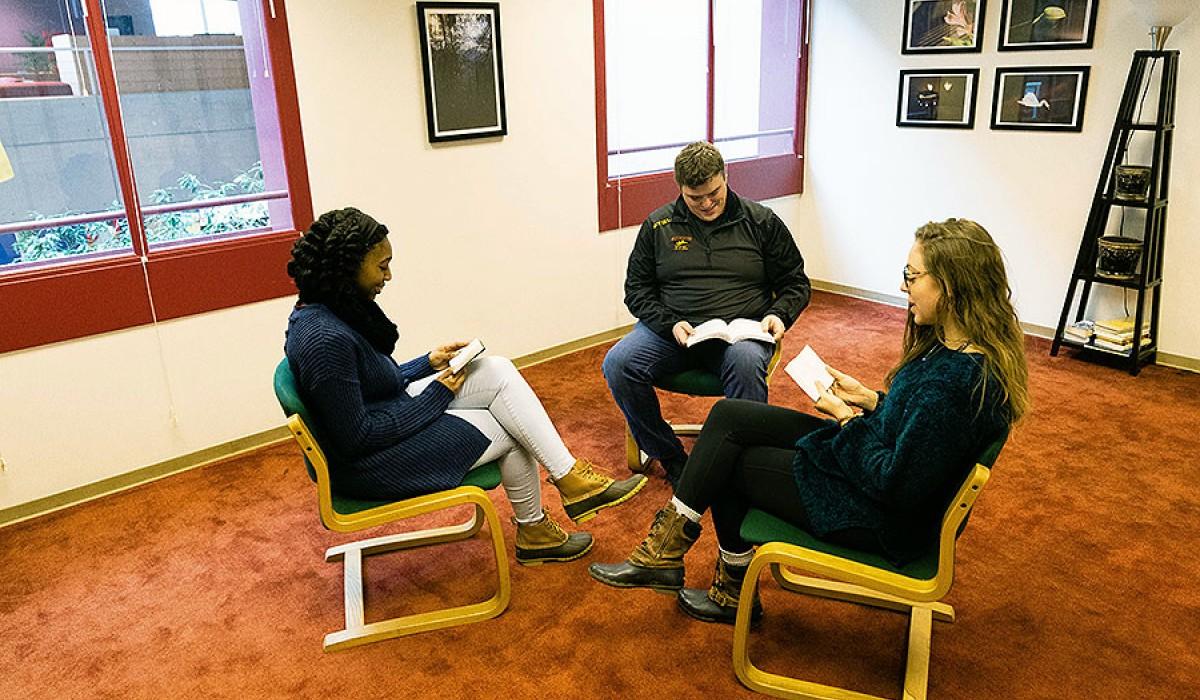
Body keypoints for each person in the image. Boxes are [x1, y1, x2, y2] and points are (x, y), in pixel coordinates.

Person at [589, 218, 1029, 624]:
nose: (902, 285)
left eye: (913, 277)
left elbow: (894, 483)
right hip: (869, 459)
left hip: (877, 515)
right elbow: (923, 433)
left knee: (727, 464)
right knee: (731, 416)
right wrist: (873, 400)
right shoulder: (957, 350)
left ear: (951, 285)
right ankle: (667, 552)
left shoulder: (953, 385)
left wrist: (846, 420)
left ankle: (728, 589)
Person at [284, 208, 647, 565]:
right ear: (348, 267)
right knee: (512, 427)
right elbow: (358, 436)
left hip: (385, 415)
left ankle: (568, 481)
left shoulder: (331, 310)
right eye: (382, 266)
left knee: (494, 369)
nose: (389, 275)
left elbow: (370, 383)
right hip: (368, 464)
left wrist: (427, 363)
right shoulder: (325, 339)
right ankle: (539, 526)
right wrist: (437, 393)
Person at [603, 141, 811, 483]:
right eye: (694, 197)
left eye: (713, 192)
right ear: (679, 188)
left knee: (745, 364)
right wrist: (669, 324)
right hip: (673, 334)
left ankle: (746, 465)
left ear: (725, 177)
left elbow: (795, 283)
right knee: (619, 363)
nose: (707, 203)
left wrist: (780, 314)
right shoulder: (658, 226)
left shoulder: (761, 222)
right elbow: (636, 290)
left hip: (741, 334)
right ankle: (670, 456)